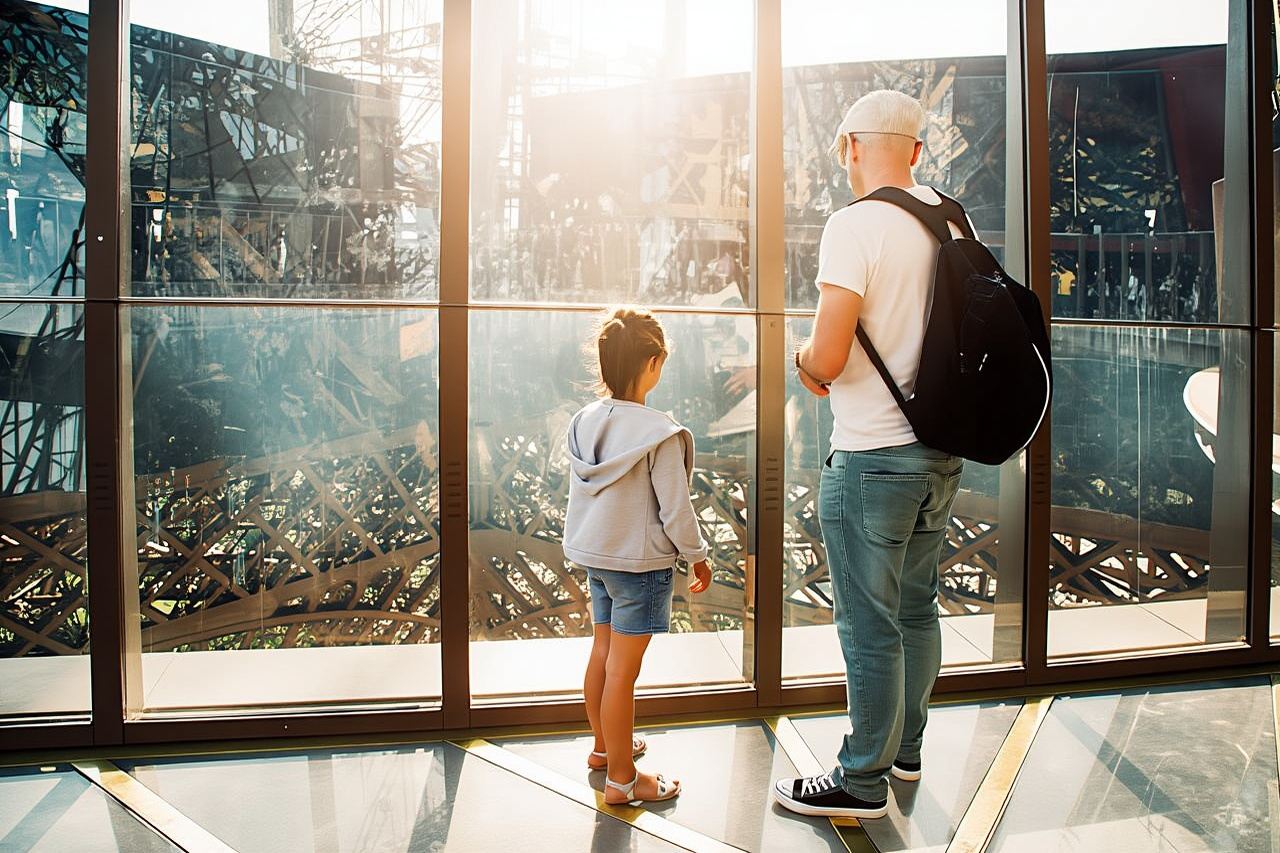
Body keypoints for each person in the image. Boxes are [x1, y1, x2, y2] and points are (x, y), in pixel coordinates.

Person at [772, 90, 966, 820]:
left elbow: (826, 353)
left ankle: (862, 778)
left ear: (850, 145)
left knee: (868, 623)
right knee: (917, 606)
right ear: (915, 151)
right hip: (940, 456)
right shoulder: (950, 217)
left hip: (872, 457)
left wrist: (803, 356)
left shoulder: (854, 226)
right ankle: (907, 751)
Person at [563, 306, 713, 806]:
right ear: (653, 362)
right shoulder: (659, 433)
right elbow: (676, 509)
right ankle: (623, 782)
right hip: (639, 567)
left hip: (597, 558)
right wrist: (698, 556)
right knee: (624, 673)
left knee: (602, 655)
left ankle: (606, 749)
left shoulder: (584, 422)